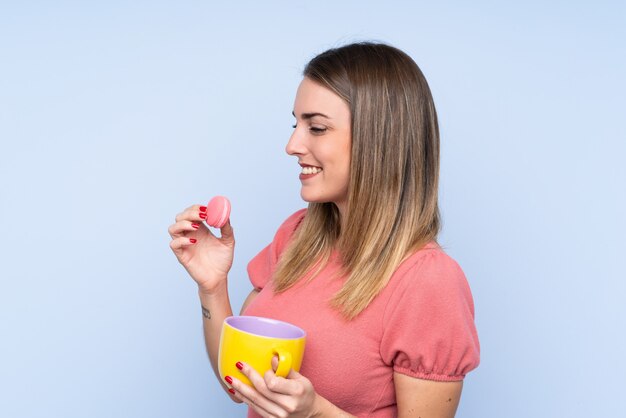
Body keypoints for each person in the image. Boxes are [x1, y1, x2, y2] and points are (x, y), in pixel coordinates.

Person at [168, 42, 480, 418]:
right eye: (295, 124)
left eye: (316, 127)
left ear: (378, 139)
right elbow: (240, 386)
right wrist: (212, 287)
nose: (292, 145)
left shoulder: (428, 281)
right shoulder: (297, 236)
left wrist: (317, 412)